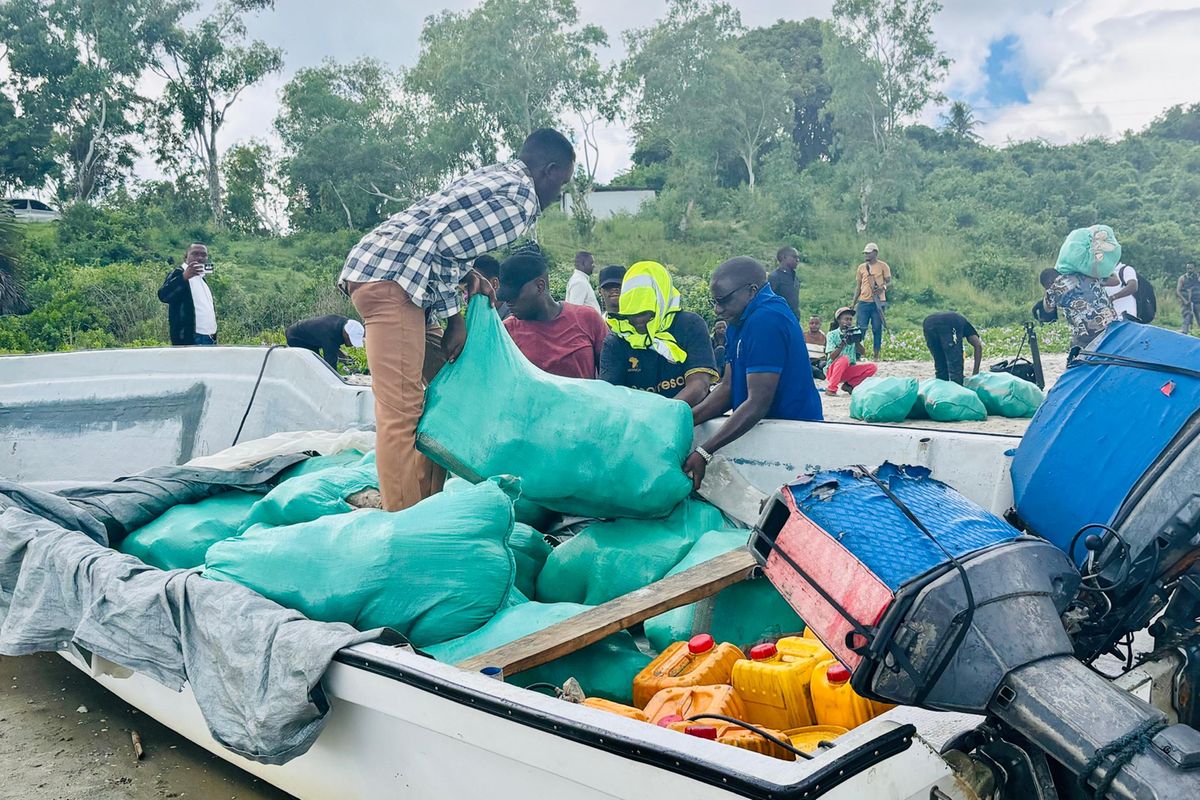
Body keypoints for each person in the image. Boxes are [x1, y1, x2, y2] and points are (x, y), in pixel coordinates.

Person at [339, 128, 574, 512]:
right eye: (561, 184)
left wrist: (469, 277)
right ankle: (406, 524)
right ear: (549, 171)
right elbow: (447, 248)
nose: (557, 196)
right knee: (402, 411)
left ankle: (426, 506)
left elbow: (443, 239)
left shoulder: (499, 175)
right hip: (393, 281)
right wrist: (455, 319)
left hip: (400, 279)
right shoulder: (520, 201)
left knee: (444, 394)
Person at [685, 257, 823, 489]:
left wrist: (705, 451)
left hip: (794, 435)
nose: (718, 310)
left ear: (751, 290)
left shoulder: (767, 320)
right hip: (759, 429)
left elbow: (758, 402)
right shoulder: (737, 321)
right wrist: (684, 420)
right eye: (715, 302)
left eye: (724, 300)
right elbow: (728, 388)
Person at [599, 261, 718, 406]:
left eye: (644, 313)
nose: (637, 321)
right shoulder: (617, 341)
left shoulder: (689, 325)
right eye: (631, 314)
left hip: (691, 416)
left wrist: (662, 414)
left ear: (661, 304)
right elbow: (610, 397)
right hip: (638, 417)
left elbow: (699, 386)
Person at [499, 250, 609, 379]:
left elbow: (611, 375)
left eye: (514, 296)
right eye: (505, 297)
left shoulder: (588, 319)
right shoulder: (506, 331)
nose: (508, 303)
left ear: (539, 286)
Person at [1040, 268, 1118, 351]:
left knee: (1076, 352)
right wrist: (1106, 268)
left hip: (1088, 334)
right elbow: (1116, 281)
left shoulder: (1053, 289)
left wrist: (1047, 291)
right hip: (1112, 325)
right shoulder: (1088, 274)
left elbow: (1048, 309)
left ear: (1048, 283)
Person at [158, 243, 217, 346]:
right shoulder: (179, 273)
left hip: (209, 336)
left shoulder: (202, 279)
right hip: (189, 337)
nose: (200, 257)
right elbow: (164, 296)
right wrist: (184, 277)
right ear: (186, 257)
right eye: (195, 254)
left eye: (203, 255)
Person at [823, 306, 878, 395]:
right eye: (846, 319)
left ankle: (849, 385)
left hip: (848, 369)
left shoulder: (855, 332)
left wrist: (856, 341)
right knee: (844, 359)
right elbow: (831, 357)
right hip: (833, 370)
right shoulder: (832, 334)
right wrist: (841, 345)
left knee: (872, 367)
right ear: (839, 320)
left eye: (850, 319)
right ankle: (831, 389)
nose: (848, 322)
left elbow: (863, 353)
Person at [921, 311, 983, 385]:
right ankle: (957, 388)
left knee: (940, 366)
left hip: (928, 323)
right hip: (950, 322)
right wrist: (975, 373)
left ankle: (942, 387)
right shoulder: (968, 328)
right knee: (956, 367)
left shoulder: (963, 323)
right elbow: (978, 345)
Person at [853, 242, 891, 360]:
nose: (866, 255)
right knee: (860, 329)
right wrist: (854, 302)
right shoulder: (861, 267)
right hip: (863, 301)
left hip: (878, 302)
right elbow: (858, 286)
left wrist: (882, 288)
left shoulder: (883, 266)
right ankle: (858, 354)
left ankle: (876, 355)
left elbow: (889, 282)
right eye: (865, 253)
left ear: (875, 253)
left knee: (877, 328)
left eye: (869, 253)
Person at [285, 314, 365, 369]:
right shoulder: (330, 334)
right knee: (316, 364)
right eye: (350, 340)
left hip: (313, 335)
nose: (351, 344)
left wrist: (341, 354)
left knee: (319, 361)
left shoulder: (342, 323)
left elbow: (332, 345)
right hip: (296, 337)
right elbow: (330, 363)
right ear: (346, 333)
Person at [768, 246, 801, 320]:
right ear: (784, 257)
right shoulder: (774, 277)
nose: (797, 260)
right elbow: (768, 301)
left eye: (798, 258)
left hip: (794, 319)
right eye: (794, 257)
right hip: (779, 319)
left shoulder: (795, 278)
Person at [1178, 262, 1200, 335]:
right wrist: (1184, 300)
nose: (1189, 270)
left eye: (1191, 268)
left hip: (1197, 300)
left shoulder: (1198, 277)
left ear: (1194, 268)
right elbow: (1178, 291)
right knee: (1187, 316)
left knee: (1199, 316)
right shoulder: (1182, 278)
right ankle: (1184, 332)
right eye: (1187, 268)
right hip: (1186, 301)